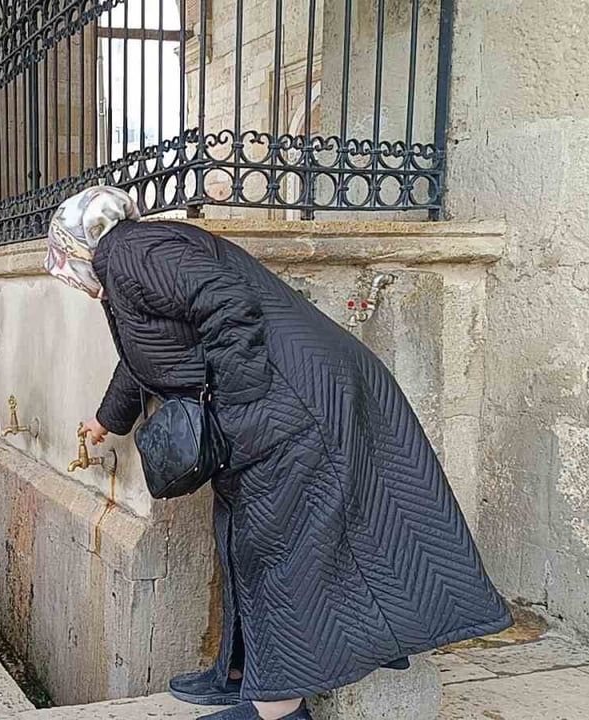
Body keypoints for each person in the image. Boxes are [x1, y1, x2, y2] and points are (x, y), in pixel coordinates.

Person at [46, 186, 513, 720]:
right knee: (247, 539)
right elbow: (147, 353)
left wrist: (243, 407)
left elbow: (226, 302)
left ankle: (277, 710)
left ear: (79, 244)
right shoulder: (131, 259)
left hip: (292, 403)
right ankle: (243, 672)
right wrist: (108, 419)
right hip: (295, 396)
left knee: (276, 547)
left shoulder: (132, 252)